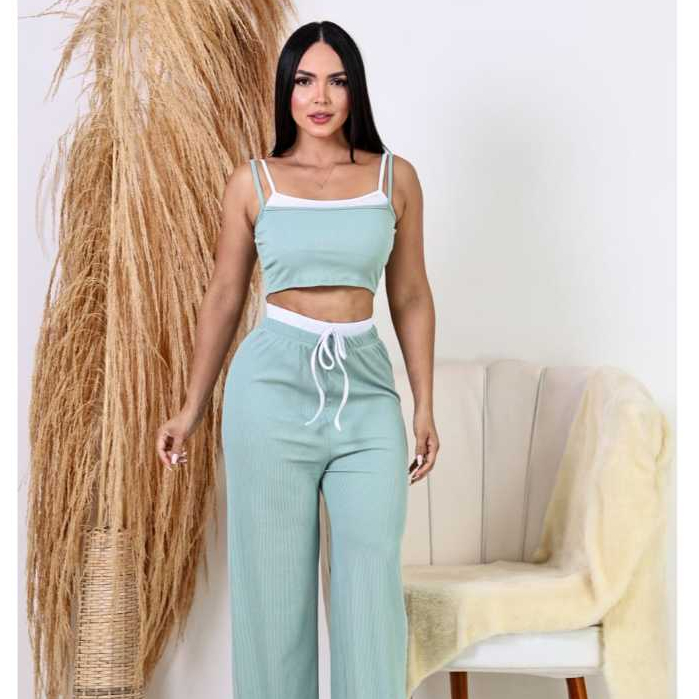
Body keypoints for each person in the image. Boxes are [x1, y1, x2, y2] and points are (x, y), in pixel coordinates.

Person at [156, 19, 439, 699]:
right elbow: (225, 296)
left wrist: (424, 404)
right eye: (305, 80)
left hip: (365, 392)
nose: (320, 96)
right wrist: (191, 408)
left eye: (336, 81)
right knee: (274, 596)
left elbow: (409, 294)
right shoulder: (253, 182)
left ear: (354, 90)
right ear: (285, 90)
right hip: (270, 391)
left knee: (370, 588)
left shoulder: (393, 178)